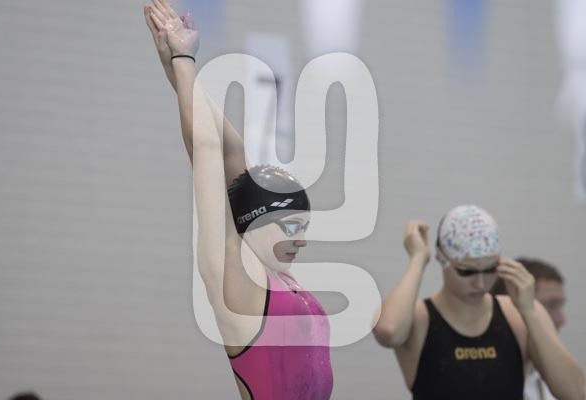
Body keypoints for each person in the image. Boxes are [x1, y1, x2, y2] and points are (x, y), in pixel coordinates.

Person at [144, 1, 333, 399]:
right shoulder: (235, 279)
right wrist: (182, 59)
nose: (302, 240)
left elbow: (232, 151)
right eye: (292, 226)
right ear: (256, 219)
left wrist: (179, 69)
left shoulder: (278, 278)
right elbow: (208, 151)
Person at [373, 205, 584, 400]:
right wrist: (418, 259)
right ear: (442, 258)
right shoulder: (420, 318)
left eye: (490, 269)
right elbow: (388, 331)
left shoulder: (516, 315)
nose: (481, 283)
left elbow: (576, 393)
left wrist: (529, 312)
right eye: (467, 271)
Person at [491, 258, 568, 400]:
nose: (561, 320)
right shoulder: (480, 377)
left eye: (559, 306)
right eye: (551, 306)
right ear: (511, 305)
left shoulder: (555, 379)